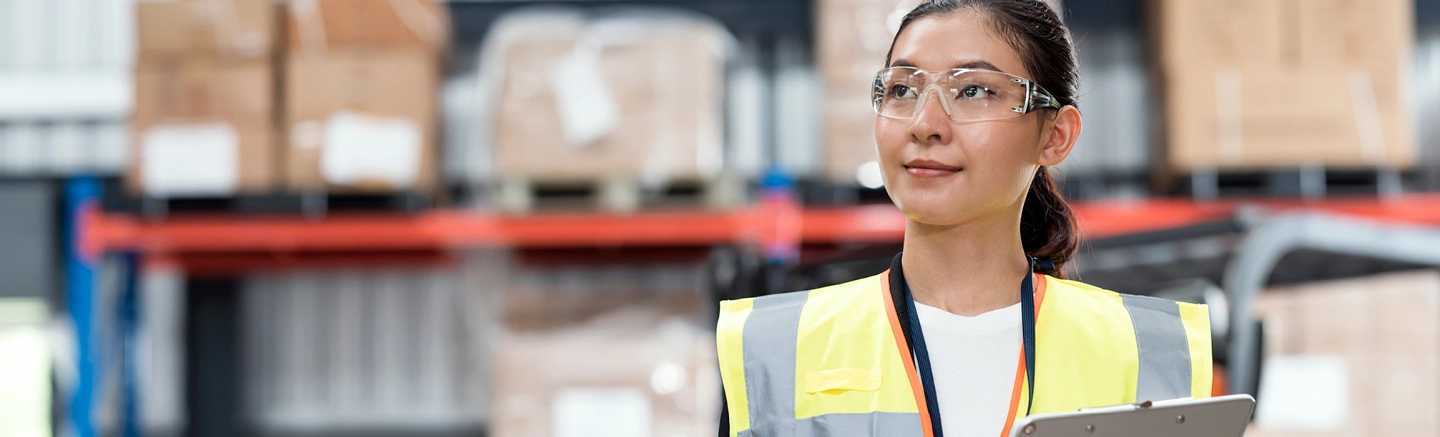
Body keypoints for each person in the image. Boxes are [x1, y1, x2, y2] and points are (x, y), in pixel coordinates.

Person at [714, 1, 1213, 436]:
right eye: (903, 90)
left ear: (1055, 135)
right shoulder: (774, 349)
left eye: (974, 91)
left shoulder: (1151, 350)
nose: (924, 124)